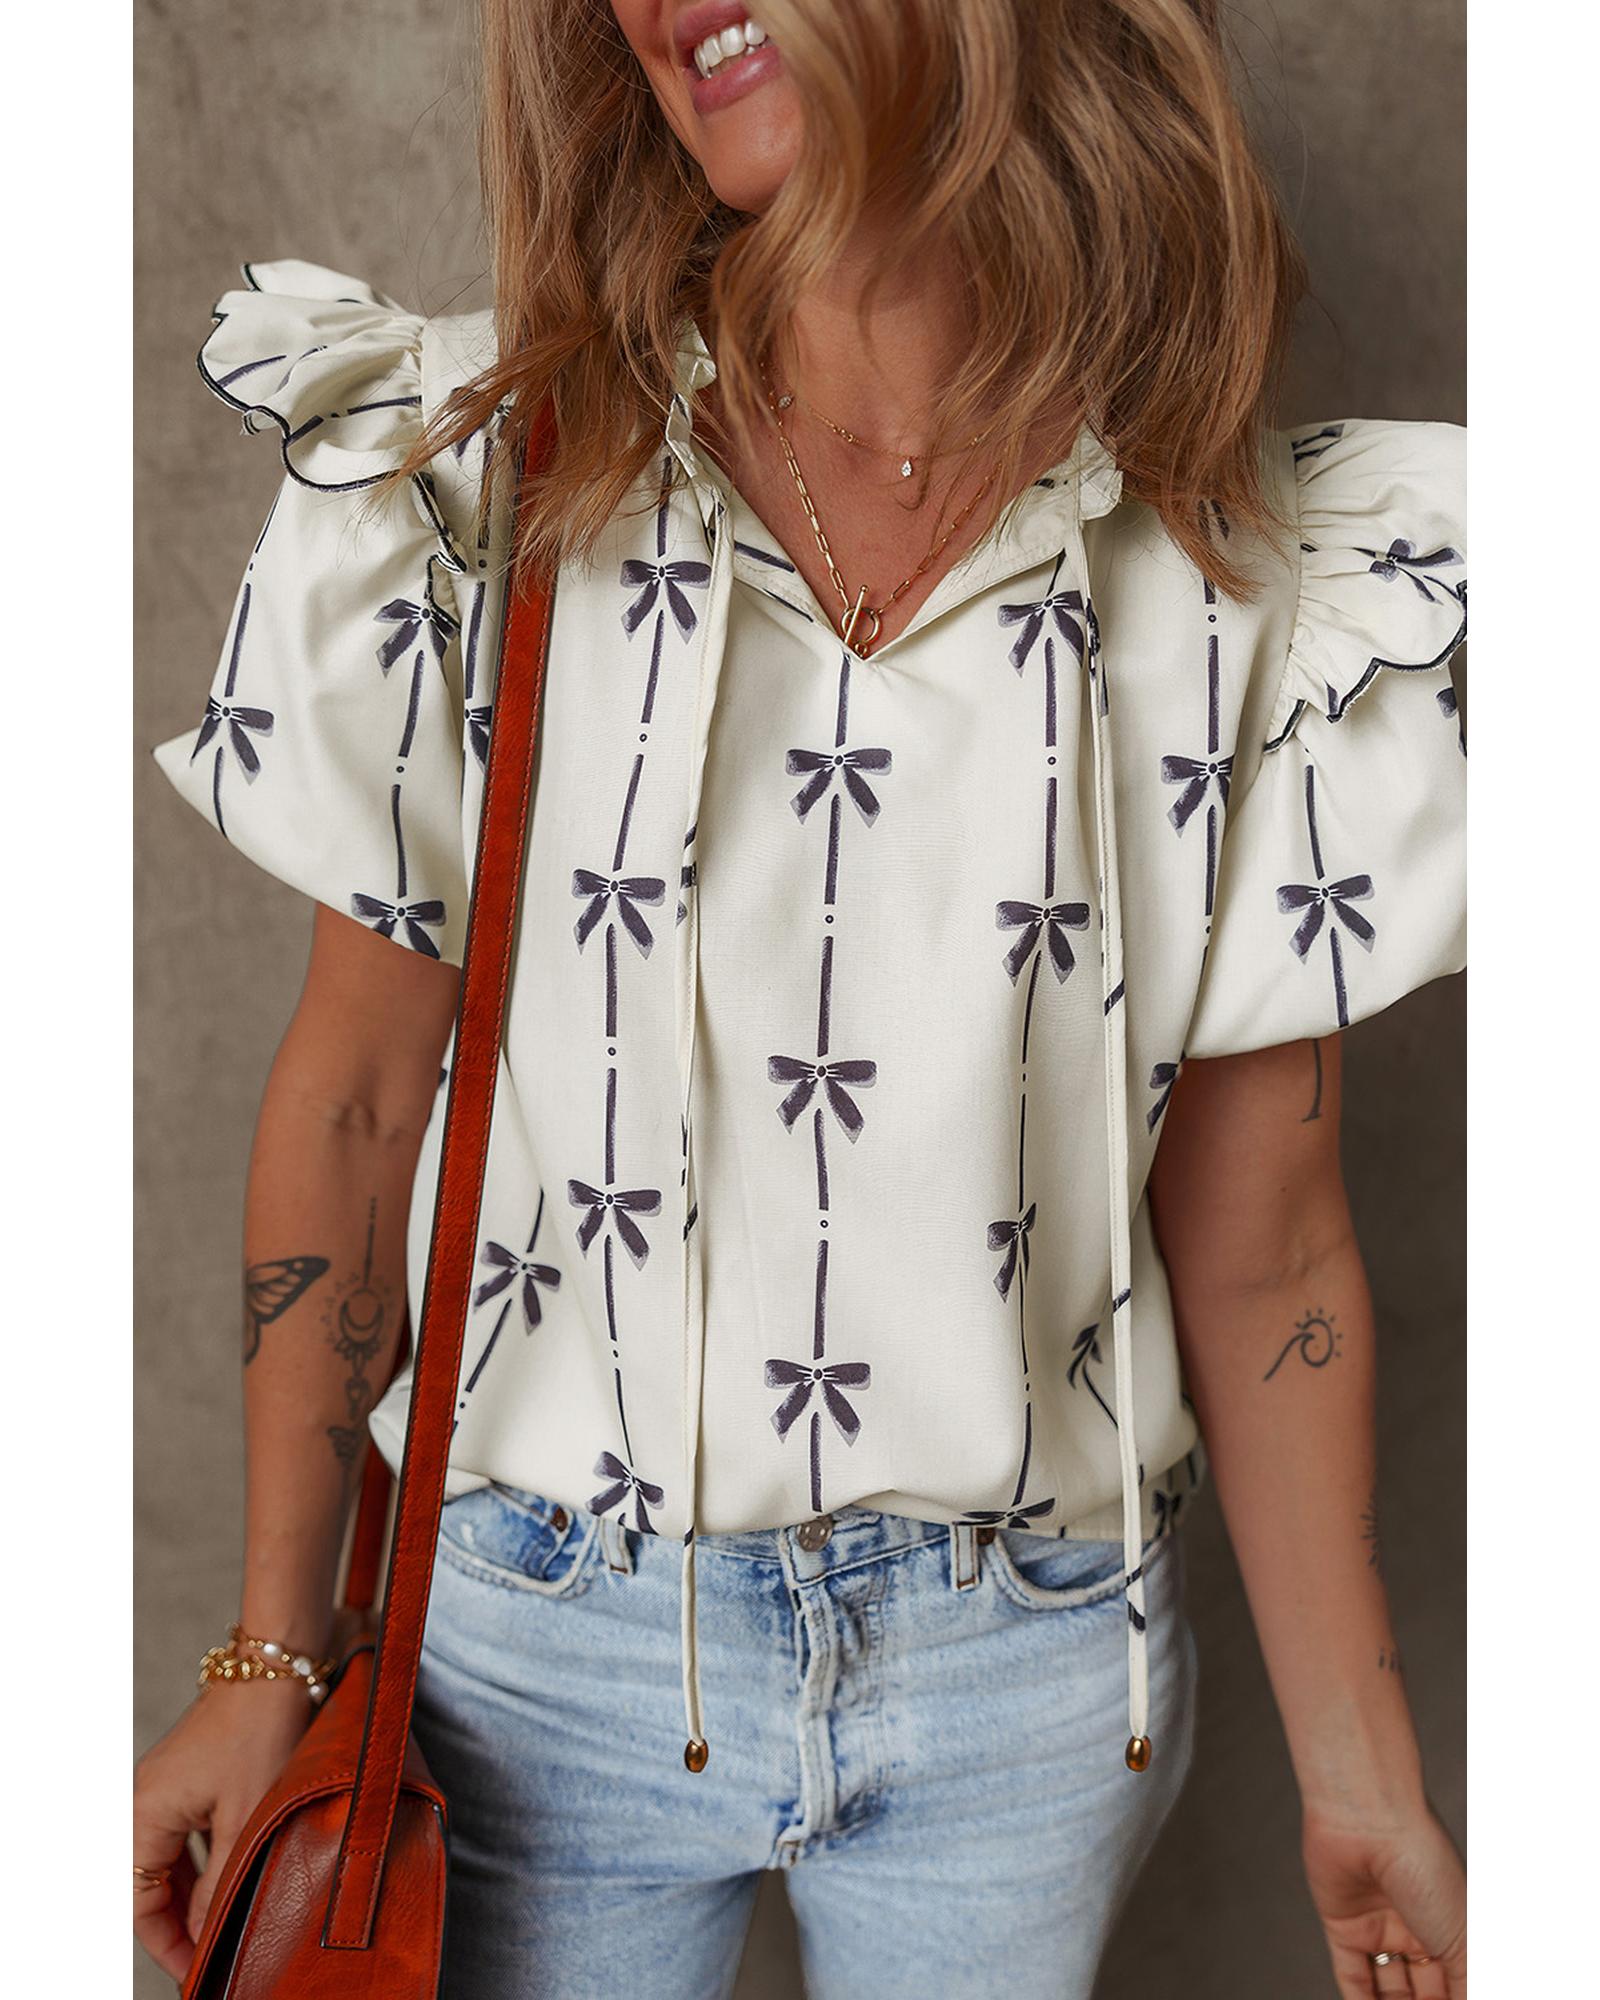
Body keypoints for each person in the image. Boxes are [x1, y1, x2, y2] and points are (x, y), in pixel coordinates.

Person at [133, 3, 1468, 1995]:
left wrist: (1363, 1785)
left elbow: (1264, 1240)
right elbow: (356, 1102)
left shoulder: (1233, 577)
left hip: (1030, 1685)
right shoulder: (474, 487)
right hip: (534, 1664)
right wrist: (267, 1653)